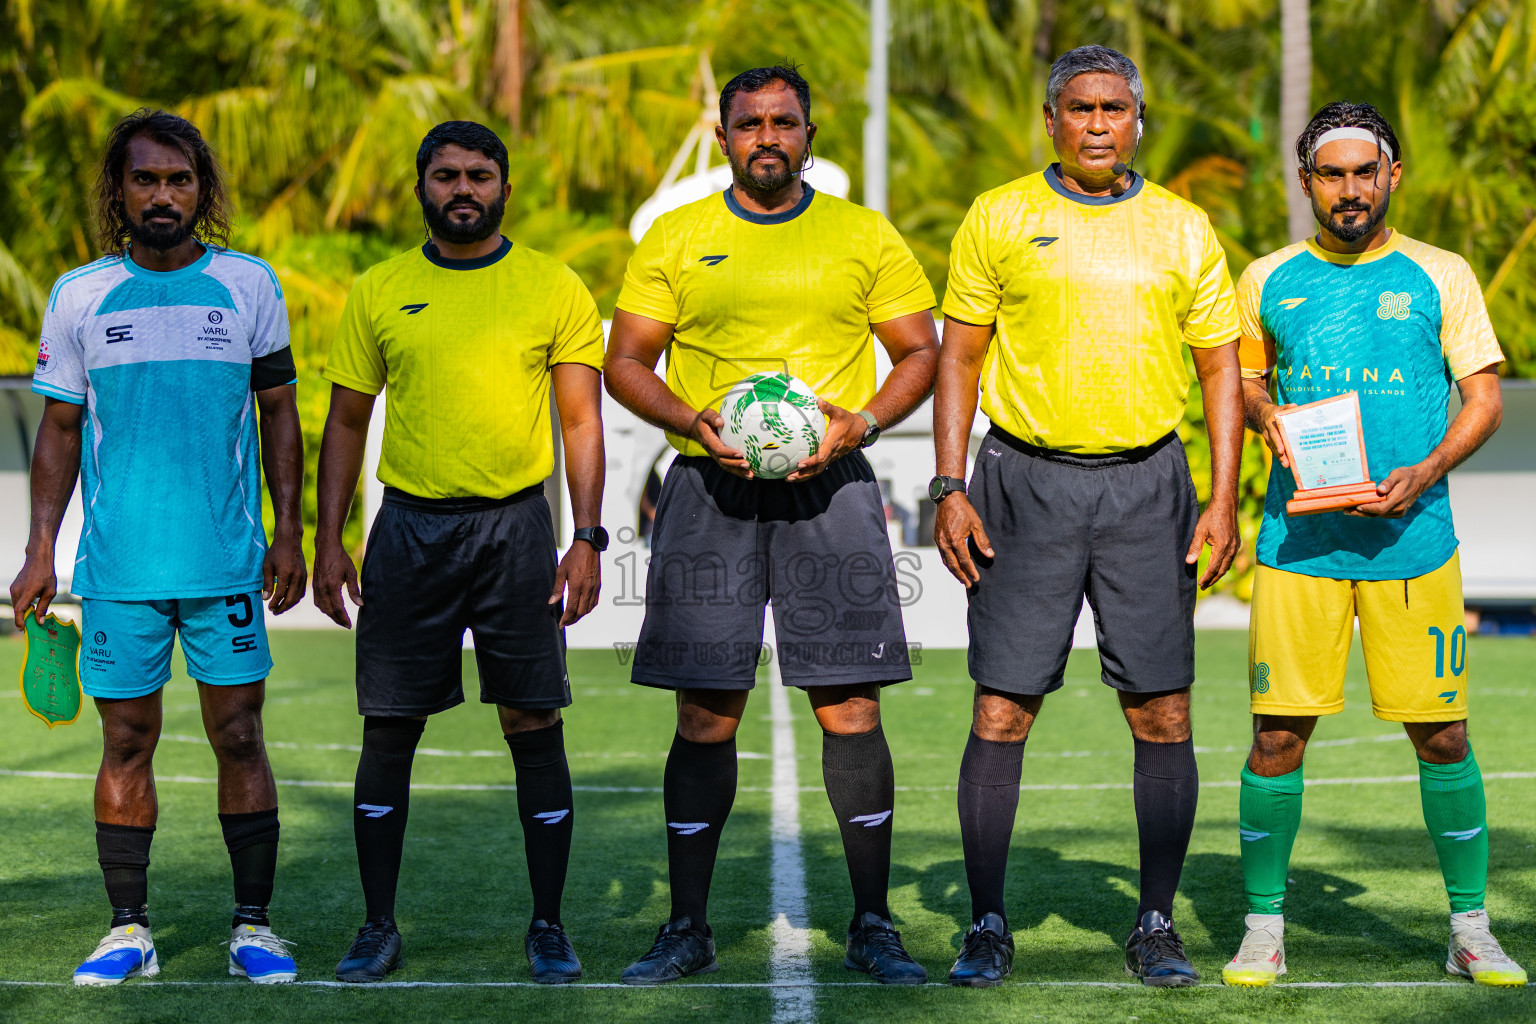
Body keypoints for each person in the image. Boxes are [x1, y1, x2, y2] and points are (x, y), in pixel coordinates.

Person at [605, 64, 940, 985]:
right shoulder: (678, 236)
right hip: (710, 487)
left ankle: (872, 923)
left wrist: (859, 422)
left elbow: (921, 351)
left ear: (809, 133)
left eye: (783, 122)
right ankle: (686, 927)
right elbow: (625, 360)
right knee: (706, 712)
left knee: (851, 706)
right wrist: (687, 420)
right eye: (749, 123)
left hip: (828, 489)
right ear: (723, 138)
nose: (766, 137)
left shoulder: (862, 234)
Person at [932, 45, 1243, 988]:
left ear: (1136, 119)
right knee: (1002, 706)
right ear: (1052, 118)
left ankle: (1154, 923)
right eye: (1080, 108)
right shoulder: (1000, 214)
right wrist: (950, 486)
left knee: (1162, 709)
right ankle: (986, 924)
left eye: (1114, 107)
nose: (1099, 123)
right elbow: (958, 360)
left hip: (1148, 486)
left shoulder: (1184, 229)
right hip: (1023, 484)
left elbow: (1220, 367)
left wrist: (1223, 495)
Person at [1221, 101, 1525, 988]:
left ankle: (1470, 927)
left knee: (1443, 736)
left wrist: (1426, 471)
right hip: (1298, 545)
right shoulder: (1269, 277)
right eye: (1331, 174)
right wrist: (1266, 411)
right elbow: (1241, 378)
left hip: (1415, 544)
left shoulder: (1442, 274)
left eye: (1365, 172)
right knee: (1278, 737)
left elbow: (1485, 398)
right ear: (1306, 179)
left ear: (1392, 176)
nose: (1348, 190)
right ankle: (1262, 927)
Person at [11, 110, 306, 986]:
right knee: (126, 743)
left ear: (202, 191)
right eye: (146, 180)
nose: (164, 195)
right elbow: (58, 432)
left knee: (241, 737)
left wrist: (289, 532)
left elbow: (279, 411)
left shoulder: (249, 285)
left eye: (180, 180)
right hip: (118, 571)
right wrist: (39, 551)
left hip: (223, 565)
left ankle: (254, 927)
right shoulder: (79, 295)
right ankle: (127, 928)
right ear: (119, 191)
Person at [312, 121, 607, 984]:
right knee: (391, 724)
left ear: (506, 187)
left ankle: (548, 925)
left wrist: (586, 537)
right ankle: (376, 926)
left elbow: (582, 420)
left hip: (517, 528)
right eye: (446, 175)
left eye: (479, 174)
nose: (463, 188)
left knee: (532, 721)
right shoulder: (379, 289)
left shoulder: (551, 285)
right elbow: (345, 422)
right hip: (408, 529)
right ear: (421, 188)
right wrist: (328, 542)